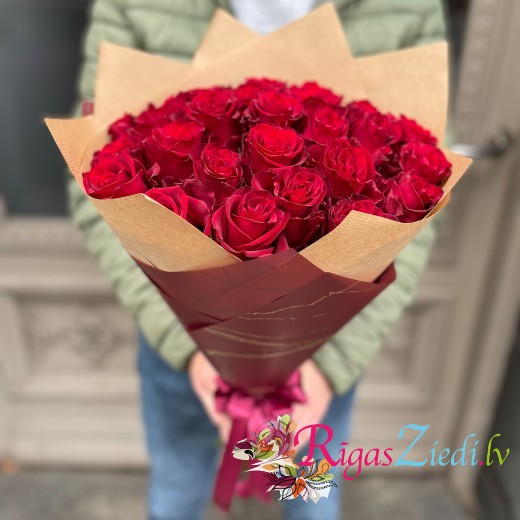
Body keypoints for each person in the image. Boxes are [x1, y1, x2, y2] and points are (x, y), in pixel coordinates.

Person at [70, 1, 447, 518]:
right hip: (176, 339)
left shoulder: (405, 8)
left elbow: (423, 197)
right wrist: (192, 348)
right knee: (177, 488)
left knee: (311, 494)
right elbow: (94, 181)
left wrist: (328, 367)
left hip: (325, 349)